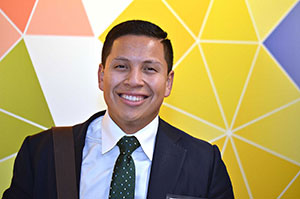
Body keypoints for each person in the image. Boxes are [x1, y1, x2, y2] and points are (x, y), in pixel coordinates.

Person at [3, 20, 234, 199]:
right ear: (102, 76)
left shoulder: (204, 162)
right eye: (121, 66)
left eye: (150, 69)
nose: (134, 80)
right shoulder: (42, 152)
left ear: (168, 82)